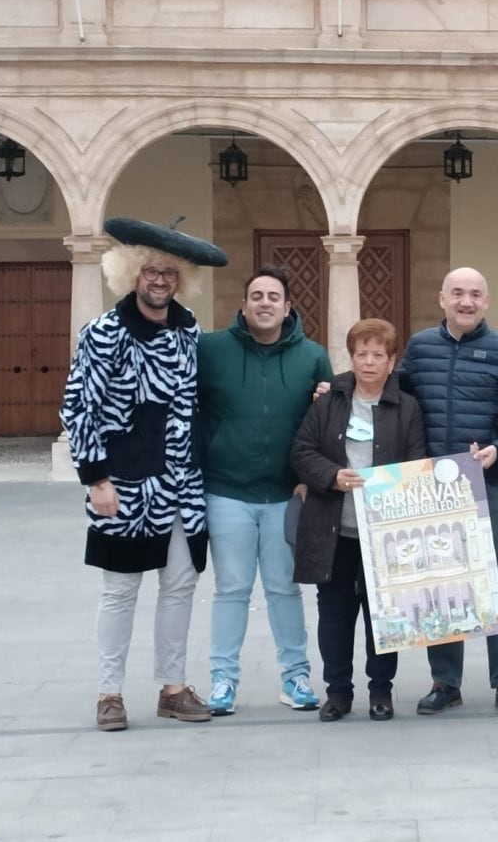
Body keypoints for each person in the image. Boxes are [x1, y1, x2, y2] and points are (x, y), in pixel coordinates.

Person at [60, 216, 227, 732]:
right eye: (151, 272)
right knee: (120, 591)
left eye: (170, 274)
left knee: (179, 585)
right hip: (126, 486)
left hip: (183, 486)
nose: (160, 282)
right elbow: (77, 406)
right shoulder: (105, 333)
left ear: (181, 280)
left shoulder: (189, 327)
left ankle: (172, 687)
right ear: (132, 274)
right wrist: (96, 479)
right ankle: (109, 694)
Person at [398, 266, 498, 717]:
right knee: (441, 588)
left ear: (487, 301)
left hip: (489, 483)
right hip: (431, 487)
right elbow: (391, 396)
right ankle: (446, 681)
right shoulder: (420, 347)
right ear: (441, 298)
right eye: (457, 293)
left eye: (475, 294)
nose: (466, 301)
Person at [198, 266, 333, 716]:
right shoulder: (212, 350)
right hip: (227, 492)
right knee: (231, 589)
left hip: (284, 495)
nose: (264, 303)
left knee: (283, 588)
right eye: (256, 295)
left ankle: (295, 676)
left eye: (273, 296)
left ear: (288, 307)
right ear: (243, 305)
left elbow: (326, 421)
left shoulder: (312, 357)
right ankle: (222, 681)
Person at [291, 318, 427, 723]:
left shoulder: (408, 406)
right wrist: (331, 476)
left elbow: (417, 460)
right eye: (361, 354)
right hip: (334, 529)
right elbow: (301, 451)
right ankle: (337, 692)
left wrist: (391, 484)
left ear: (392, 361)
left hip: (383, 532)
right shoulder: (328, 399)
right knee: (333, 612)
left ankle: (381, 690)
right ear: (350, 358)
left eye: (378, 355)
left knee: (383, 615)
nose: (368, 362)